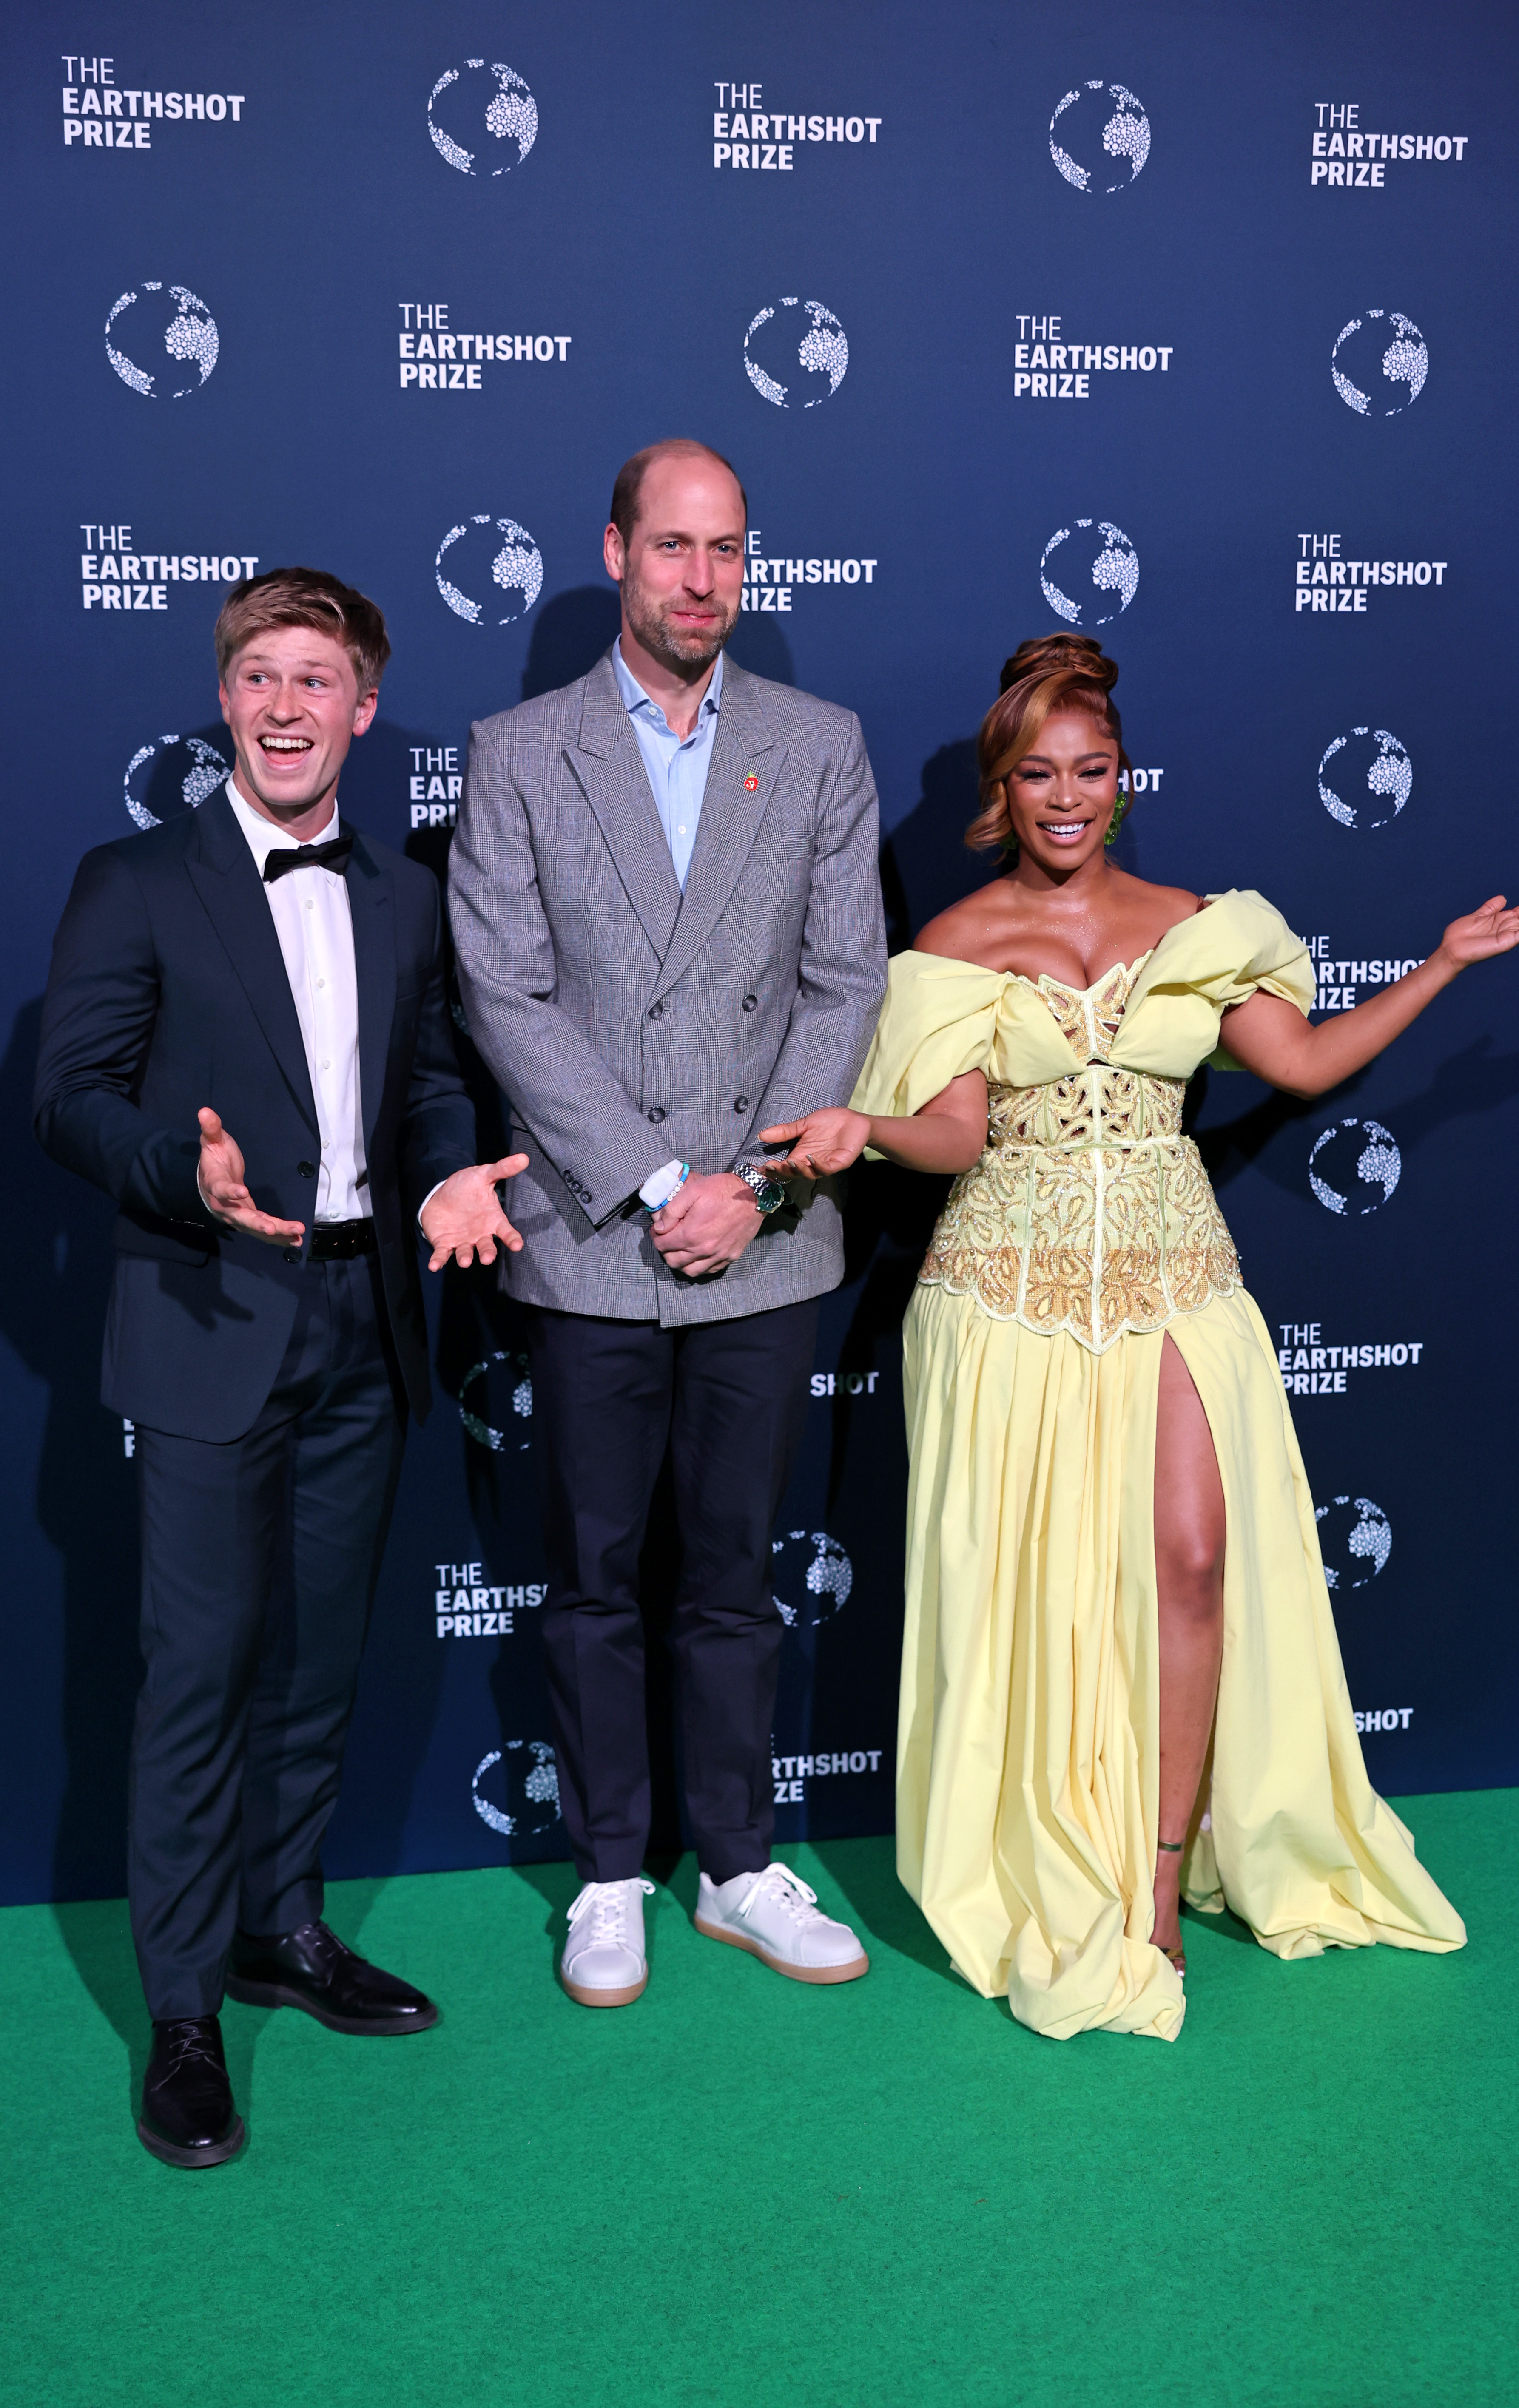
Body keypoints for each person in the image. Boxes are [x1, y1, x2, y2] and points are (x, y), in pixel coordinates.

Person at [761, 633, 1519, 2042]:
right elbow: (953, 1137)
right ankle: (1045, 1854)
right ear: (1001, 791)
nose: (1063, 798)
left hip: (1177, 1284)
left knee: (1190, 1564)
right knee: (1033, 1592)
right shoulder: (951, 946)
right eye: (1035, 776)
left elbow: (1305, 1064)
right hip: (1001, 1302)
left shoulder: (1199, 926)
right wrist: (860, 1130)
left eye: (1088, 771)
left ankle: (1153, 1882)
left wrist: (1444, 963)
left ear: (1122, 779)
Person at [34, 568, 527, 2164]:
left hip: (367, 1326)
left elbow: (440, 1077)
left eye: (320, 679)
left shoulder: (402, 893)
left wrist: (452, 1168)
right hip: (205, 1320)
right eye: (262, 675)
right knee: (198, 1677)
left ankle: (281, 1929)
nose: (289, 704)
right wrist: (186, 1179)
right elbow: (70, 1095)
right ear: (226, 699)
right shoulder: (136, 879)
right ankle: (183, 2009)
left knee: (318, 1664)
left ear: (364, 710)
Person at [449, 438, 886, 2006]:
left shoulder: (820, 744)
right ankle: (610, 1871)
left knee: (730, 1576)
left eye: (729, 551)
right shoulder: (518, 753)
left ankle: (740, 1862)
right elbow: (506, 994)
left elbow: (846, 983)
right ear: (618, 550)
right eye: (673, 548)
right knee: (592, 1576)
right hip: (590, 1236)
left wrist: (755, 1185)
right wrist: (654, 1185)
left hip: (767, 1235)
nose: (703, 580)